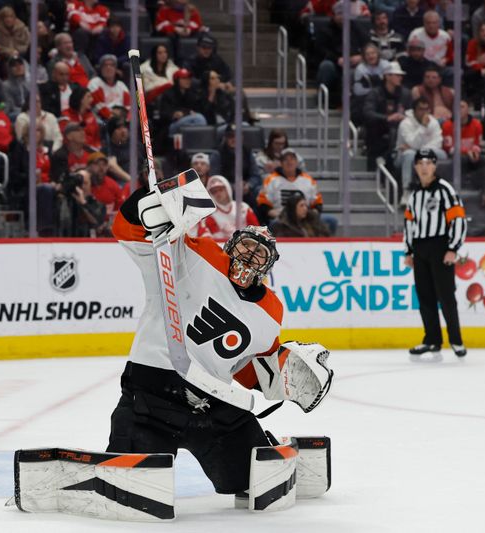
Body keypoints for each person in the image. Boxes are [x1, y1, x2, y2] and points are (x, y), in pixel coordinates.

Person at [109, 184, 331, 503]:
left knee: (257, 482)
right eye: (246, 247)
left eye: (260, 255)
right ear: (231, 243)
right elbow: (130, 233)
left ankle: (260, 446)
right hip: (151, 397)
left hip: (212, 406)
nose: (250, 257)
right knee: (139, 487)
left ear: (267, 268)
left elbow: (248, 368)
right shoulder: (192, 253)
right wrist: (143, 206)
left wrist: (286, 377)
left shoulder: (270, 311)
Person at [403, 149, 467, 358]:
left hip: (441, 247)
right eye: (420, 163)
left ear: (435, 166)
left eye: (428, 163)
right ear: (414, 167)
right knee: (425, 297)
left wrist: (453, 248)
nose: (424, 167)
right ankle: (432, 339)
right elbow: (409, 223)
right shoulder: (415, 195)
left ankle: (456, 340)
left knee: (446, 296)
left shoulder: (445, 190)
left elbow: (458, 219)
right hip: (420, 248)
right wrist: (409, 250)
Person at [394, 97, 446, 201]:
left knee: (442, 154)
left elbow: (438, 142)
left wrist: (419, 150)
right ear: (414, 110)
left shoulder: (433, 122)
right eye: (421, 109)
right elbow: (413, 142)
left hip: (422, 153)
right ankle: (406, 192)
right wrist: (422, 127)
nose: (424, 112)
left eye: (426, 109)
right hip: (403, 158)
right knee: (409, 154)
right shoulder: (405, 124)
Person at [363, 61, 411, 170]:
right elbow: (368, 112)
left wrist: (404, 117)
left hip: (400, 129)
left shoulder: (406, 93)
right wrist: (387, 118)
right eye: (397, 75)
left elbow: (411, 112)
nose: (400, 78)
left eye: (401, 76)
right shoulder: (375, 93)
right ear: (387, 76)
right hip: (378, 130)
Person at [257, 148, 323, 226]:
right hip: (281, 217)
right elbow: (262, 202)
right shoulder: (270, 179)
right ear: (281, 163)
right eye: (285, 160)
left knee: (330, 221)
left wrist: (312, 214)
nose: (289, 162)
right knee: (275, 224)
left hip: (304, 216)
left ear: (297, 162)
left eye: (292, 159)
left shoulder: (308, 180)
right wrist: (271, 212)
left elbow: (317, 202)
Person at [441, 100, 485, 190]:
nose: (459, 109)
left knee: (483, 160)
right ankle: (461, 190)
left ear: (468, 109)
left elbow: (477, 144)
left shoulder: (477, 124)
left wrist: (474, 153)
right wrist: (467, 152)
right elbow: (448, 148)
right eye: (457, 107)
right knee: (461, 160)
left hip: (471, 154)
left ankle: (483, 190)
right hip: (455, 156)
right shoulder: (447, 125)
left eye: (462, 107)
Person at [198, 175, 260, 240]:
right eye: (214, 191)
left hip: (248, 244)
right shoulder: (210, 215)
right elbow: (210, 239)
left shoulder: (243, 207)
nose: (218, 193)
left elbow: (256, 229)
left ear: (228, 188)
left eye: (221, 189)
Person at [159, 68, 208, 137]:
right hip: (172, 125)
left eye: (189, 78)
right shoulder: (168, 94)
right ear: (177, 80)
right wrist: (174, 114)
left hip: (189, 123)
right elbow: (163, 114)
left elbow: (197, 110)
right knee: (200, 119)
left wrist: (187, 113)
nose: (188, 81)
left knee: (197, 123)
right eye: (184, 78)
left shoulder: (191, 93)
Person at [87, 54, 130, 121]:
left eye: (112, 65)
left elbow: (129, 107)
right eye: (105, 65)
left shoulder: (121, 85)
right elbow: (98, 107)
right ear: (101, 69)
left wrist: (126, 120)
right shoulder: (94, 83)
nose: (108, 67)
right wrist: (112, 118)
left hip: (122, 119)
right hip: (103, 120)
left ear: (116, 69)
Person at [60, 86, 102, 151]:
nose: (92, 99)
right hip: (73, 152)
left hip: (93, 152)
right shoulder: (65, 116)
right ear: (80, 99)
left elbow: (96, 139)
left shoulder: (91, 116)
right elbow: (65, 139)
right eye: (88, 97)